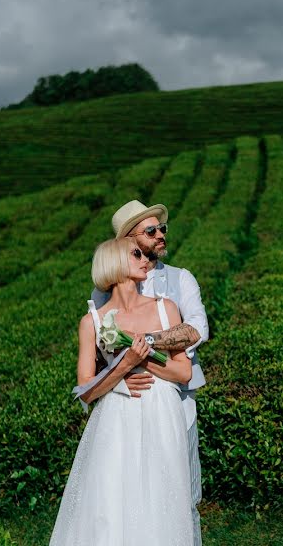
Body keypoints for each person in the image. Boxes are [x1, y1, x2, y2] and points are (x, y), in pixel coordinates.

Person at [51, 238, 194, 545]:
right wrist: (121, 371)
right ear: (114, 262)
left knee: (160, 498)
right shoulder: (92, 322)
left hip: (161, 411)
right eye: (137, 254)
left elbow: (184, 371)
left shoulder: (166, 309)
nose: (146, 258)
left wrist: (142, 358)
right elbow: (85, 391)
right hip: (115, 417)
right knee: (111, 499)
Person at [91, 200, 209, 545]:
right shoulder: (103, 292)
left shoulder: (181, 279)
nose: (160, 235)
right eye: (151, 230)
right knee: (126, 498)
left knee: (183, 497)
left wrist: (141, 344)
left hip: (177, 402)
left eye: (162, 229)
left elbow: (197, 328)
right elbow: (101, 347)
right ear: (129, 239)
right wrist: (122, 372)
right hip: (127, 405)